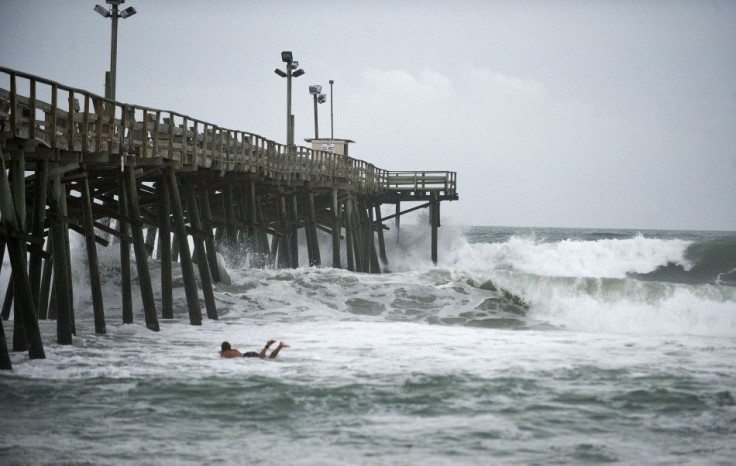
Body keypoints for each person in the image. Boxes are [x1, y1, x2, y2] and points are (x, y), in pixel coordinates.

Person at [219, 339, 289, 359]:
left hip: (246, 356)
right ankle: (280, 346)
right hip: (247, 354)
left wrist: (221, 352)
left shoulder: (224, 353)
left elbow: (221, 354)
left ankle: (267, 345)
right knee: (271, 357)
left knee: (261, 357)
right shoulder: (234, 350)